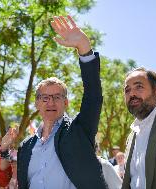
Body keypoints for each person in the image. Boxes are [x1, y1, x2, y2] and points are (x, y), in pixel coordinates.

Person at [17, 15, 107, 189]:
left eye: (57, 97)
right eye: (45, 97)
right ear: (37, 104)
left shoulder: (80, 131)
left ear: (66, 103)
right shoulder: (26, 146)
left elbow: (93, 97)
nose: (51, 102)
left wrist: (84, 48)